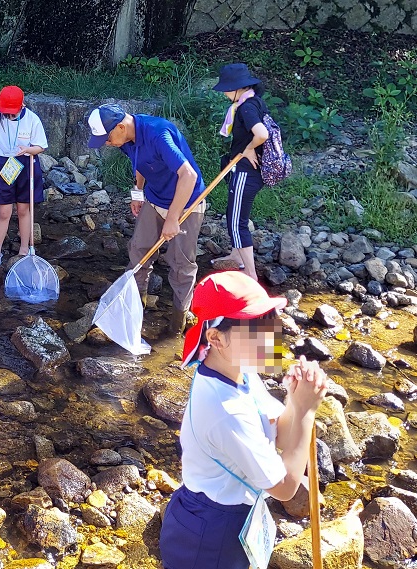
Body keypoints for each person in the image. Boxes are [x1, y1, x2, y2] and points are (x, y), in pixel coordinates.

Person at [159, 271, 327, 569]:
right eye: (255, 330)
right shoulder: (226, 410)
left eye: (271, 325)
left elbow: (282, 436)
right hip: (210, 535)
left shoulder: (239, 372)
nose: (271, 339)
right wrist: (307, 410)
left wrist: (296, 401)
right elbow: (285, 488)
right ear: (216, 337)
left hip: (223, 516)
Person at [87, 103, 204, 335]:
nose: (106, 144)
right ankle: (134, 315)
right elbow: (140, 162)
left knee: (181, 264)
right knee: (139, 251)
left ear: (120, 126)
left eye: (107, 139)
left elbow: (188, 175)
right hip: (154, 198)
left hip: (186, 202)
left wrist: (172, 218)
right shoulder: (125, 139)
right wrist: (138, 193)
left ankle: (176, 328)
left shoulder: (158, 134)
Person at [210, 63, 270, 281]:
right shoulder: (254, 101)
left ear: (237, 87)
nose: (225, 92)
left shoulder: (246, 107)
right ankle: (236, 255)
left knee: (236, 222)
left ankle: (251, 275)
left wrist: (248, 149)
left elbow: (261, 134)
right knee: (233, 213)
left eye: (226, 88)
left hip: (247, 172)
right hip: (245, 171)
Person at [0, 86, 48, 266]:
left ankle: (24, 250)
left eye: (13, 113)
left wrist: (27, 149)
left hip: (27, 163)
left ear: (22, 105)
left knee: (23, 209)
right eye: (7, 113)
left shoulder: (32, 120)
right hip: (5, 163)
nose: (10, 116)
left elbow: (41, 147)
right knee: (4, 211)